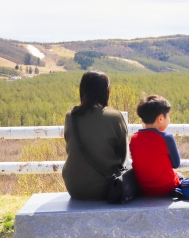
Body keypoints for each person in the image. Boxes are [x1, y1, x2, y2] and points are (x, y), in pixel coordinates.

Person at [62, 70, 128, 200]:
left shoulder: (71, 116)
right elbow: (122, 155)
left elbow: (70, 144)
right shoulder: (114, 116)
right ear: (106, 90)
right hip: (106, 186)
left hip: (74, 186)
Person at [129, 95, 181, 196]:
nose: (169, 119)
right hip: (167, 188)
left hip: (144, 189)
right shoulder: (167, 137)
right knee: (181, 176)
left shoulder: (134, 138)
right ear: (160, 118)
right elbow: (176, 164)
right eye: (168, 116)